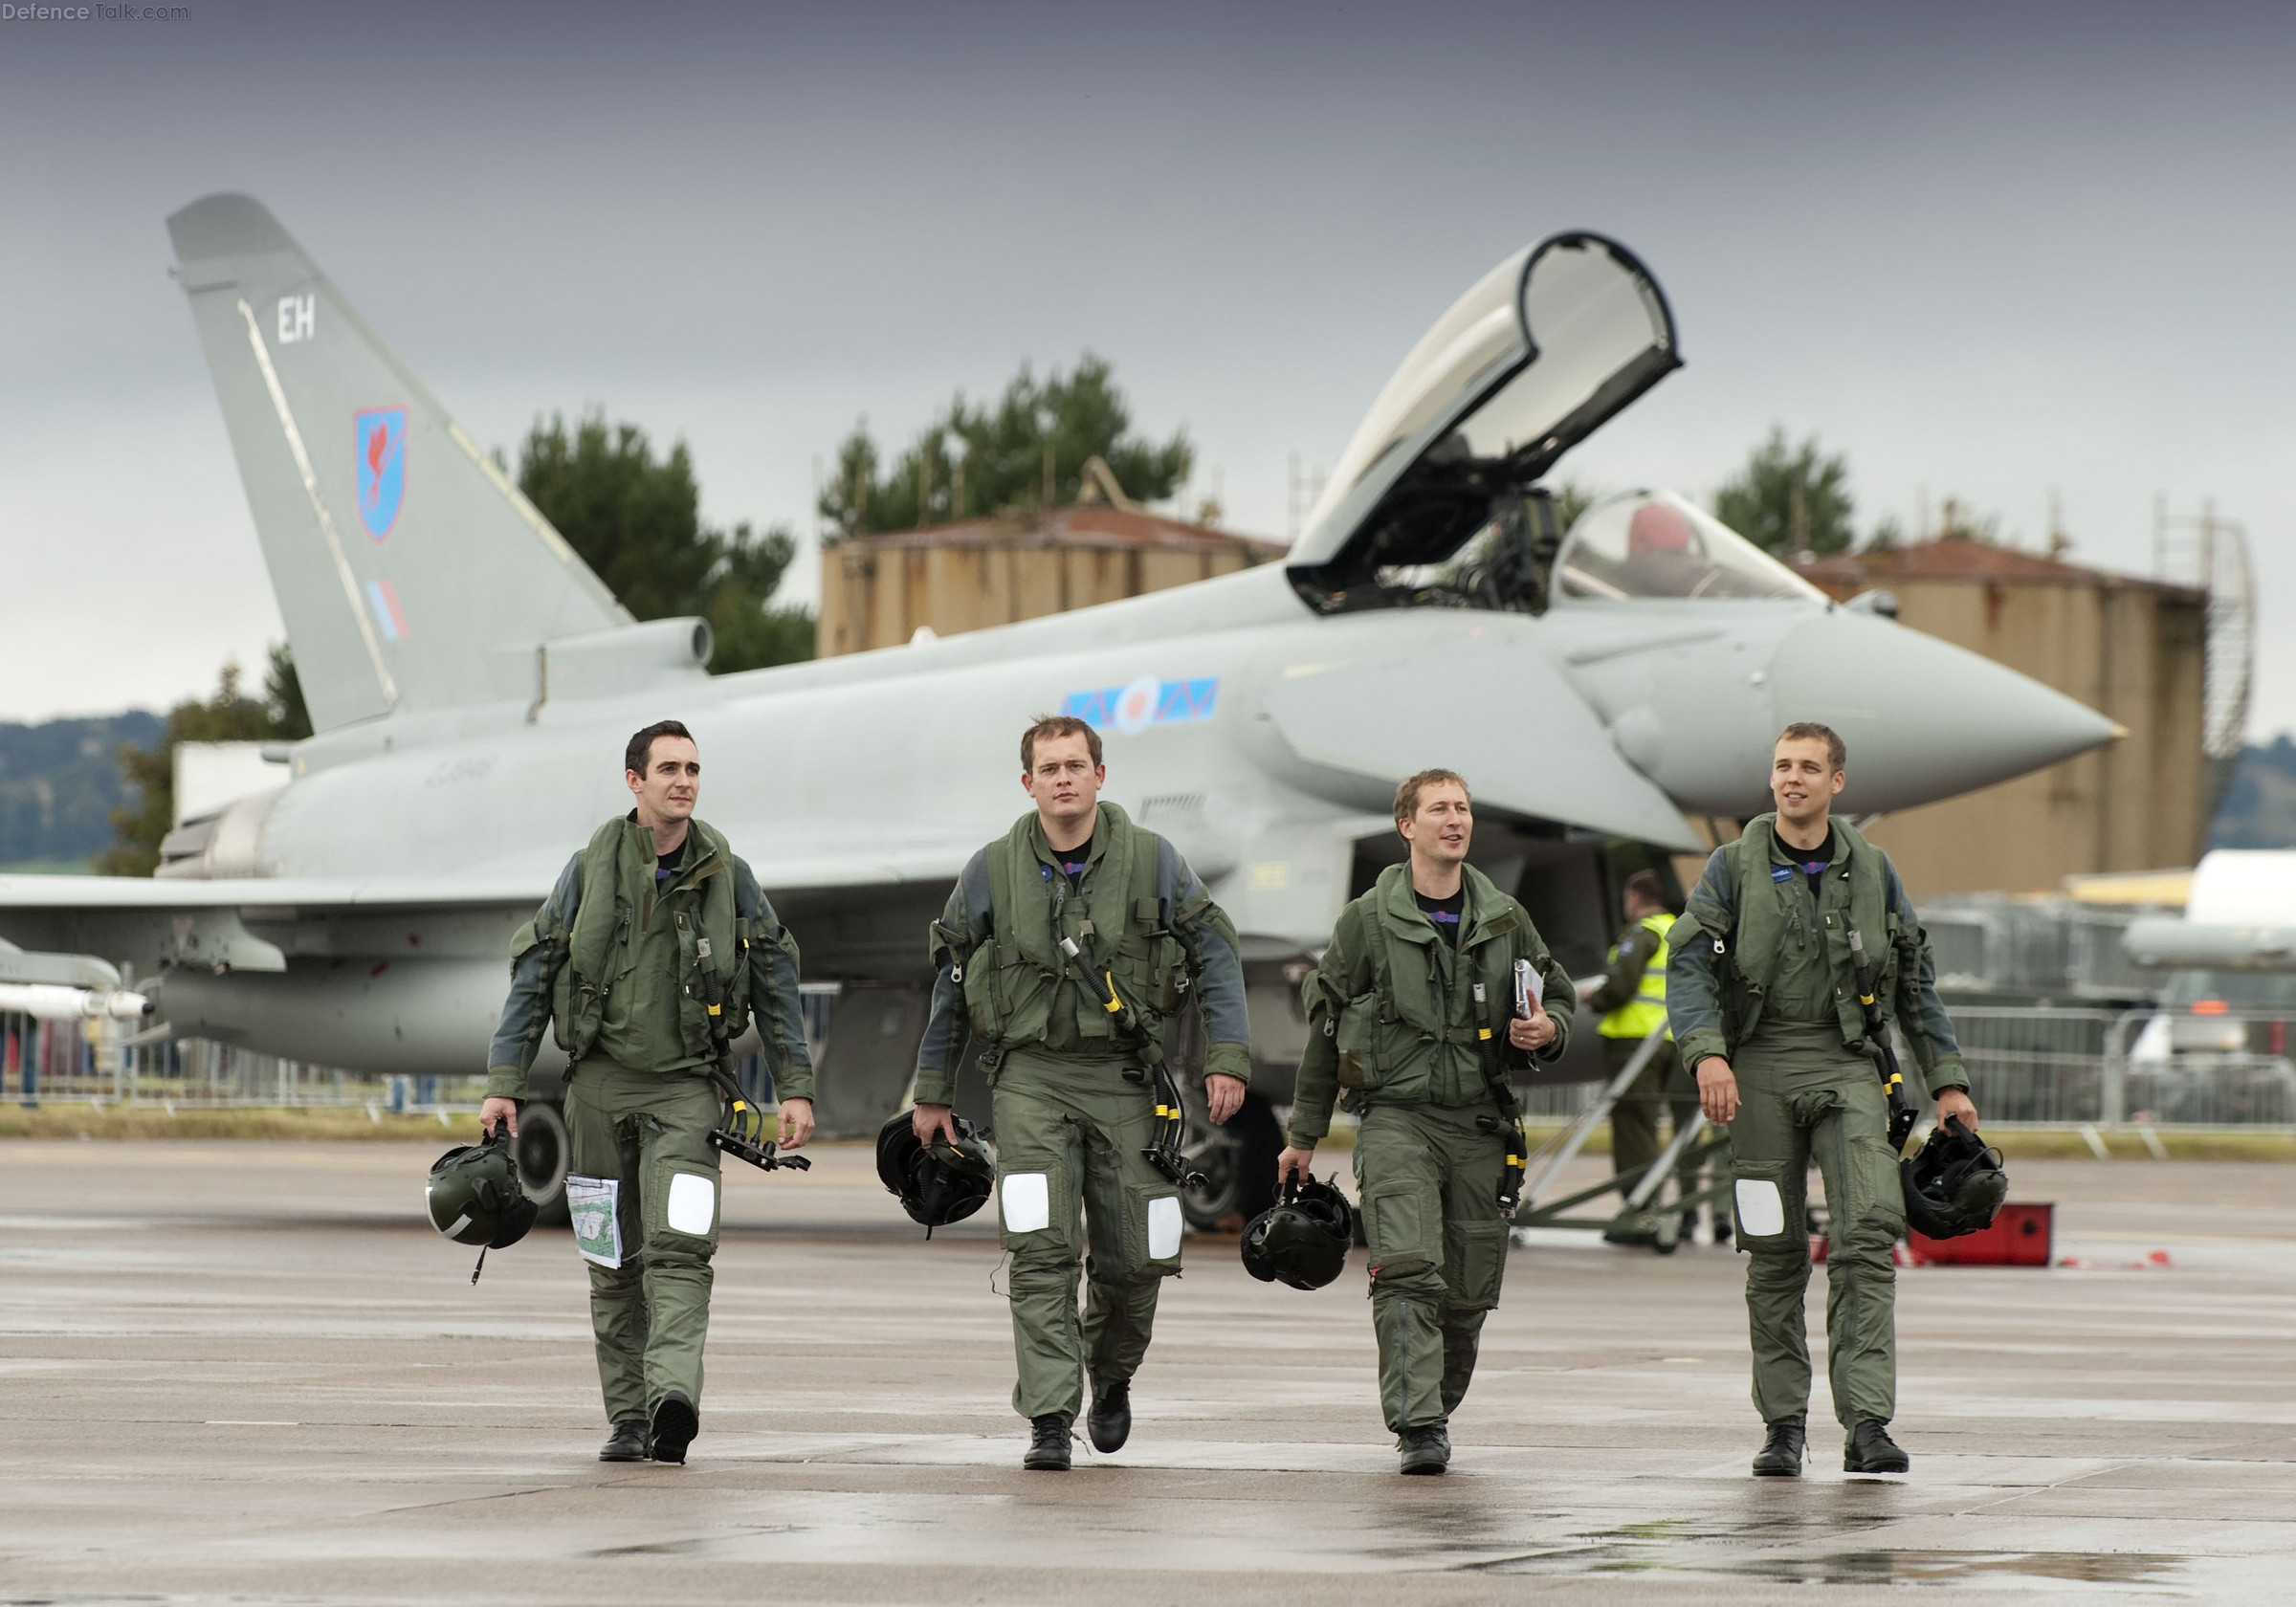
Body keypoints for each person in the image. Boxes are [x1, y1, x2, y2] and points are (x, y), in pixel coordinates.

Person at [912, 714, 1251, 1471]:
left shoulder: (1155, 862)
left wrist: (1228, 1056)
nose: (1064, 778)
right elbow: (953, 978)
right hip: (1029, 1080)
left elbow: (1216, 951)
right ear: (1027, 783)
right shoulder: (991, 871)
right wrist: (933, 1089)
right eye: (1049, 767)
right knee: (1040, 1249)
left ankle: (1114, 1373)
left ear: (1101, 776)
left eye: (1076, 765)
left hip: (1128, 1082)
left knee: (1140, 1256)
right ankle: (1049, 1414)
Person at [480, 719, 813, 1467]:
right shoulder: (587, 870)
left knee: (682, 1250)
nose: (683, 781)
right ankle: (627, 1418)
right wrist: (505, 1083)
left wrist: (796, 1088)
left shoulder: (729, 873)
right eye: (668, 768)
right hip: (596, 1091)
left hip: (688, 1092)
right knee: (609, 1257)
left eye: (693, 768)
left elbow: (776, 975)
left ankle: (672, 1399)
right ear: (635, 781)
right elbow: (534, 975)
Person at [1667, 721, 1977, 1477]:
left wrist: (1949, 1083)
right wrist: (1708, 1055)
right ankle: (1782, 1426)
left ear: (1837, 783)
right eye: (1781, 766)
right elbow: (1689, 968)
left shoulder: (1873, 870)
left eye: (1808, 767)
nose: (1792, 778)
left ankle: (1868, 1422)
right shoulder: (1731, 868)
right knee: (1772, 1254)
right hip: (1760, 1067)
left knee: (1868, 1236)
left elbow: (1913, 983)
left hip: (1848, 1067)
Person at [1278, 769, 1575, 1475]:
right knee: (1410, 1270)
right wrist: (1302, 1133)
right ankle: (1417, 1425)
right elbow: (1324, 1031)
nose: (1455, 819)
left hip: (1478, 1123)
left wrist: (1548, 1028)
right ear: (1406, 826)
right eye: (1439, 808)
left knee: (1468, 1292)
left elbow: (1556, 994)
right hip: (1396, 1120)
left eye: (1463, 809)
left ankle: (1434, 1405)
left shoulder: (1504, 918)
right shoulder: (1366, 923)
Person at [1579, 870, 1711, 1244]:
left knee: (1634, 1128)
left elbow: (1620, 984)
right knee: (1655, 1125)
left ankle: (1640, 1211)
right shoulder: (1677, 931)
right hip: (1669, 1040)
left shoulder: (1642, 933)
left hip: (1634, 1040)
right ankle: (1658, 1206)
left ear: (1635, 898)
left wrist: (1596, 998)